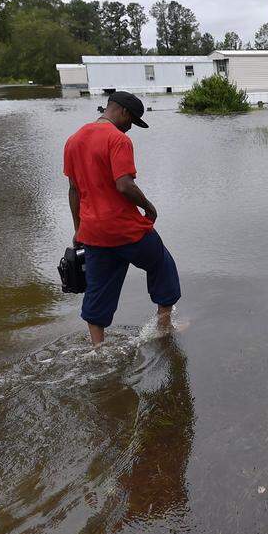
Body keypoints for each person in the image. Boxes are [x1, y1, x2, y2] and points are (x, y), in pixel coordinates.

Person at [64, 91, 180, 345]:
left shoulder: (73, 140)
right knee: (162, 265)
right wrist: (149, 207)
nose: (130, 128)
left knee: (98, 289)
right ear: (123, 112)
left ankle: (98, 349)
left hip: (93, 232)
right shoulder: (117, 140)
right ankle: (164, 328)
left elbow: (74, 189)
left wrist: (78, 229)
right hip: (125, 229)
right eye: (132, 121)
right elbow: (124, 185)